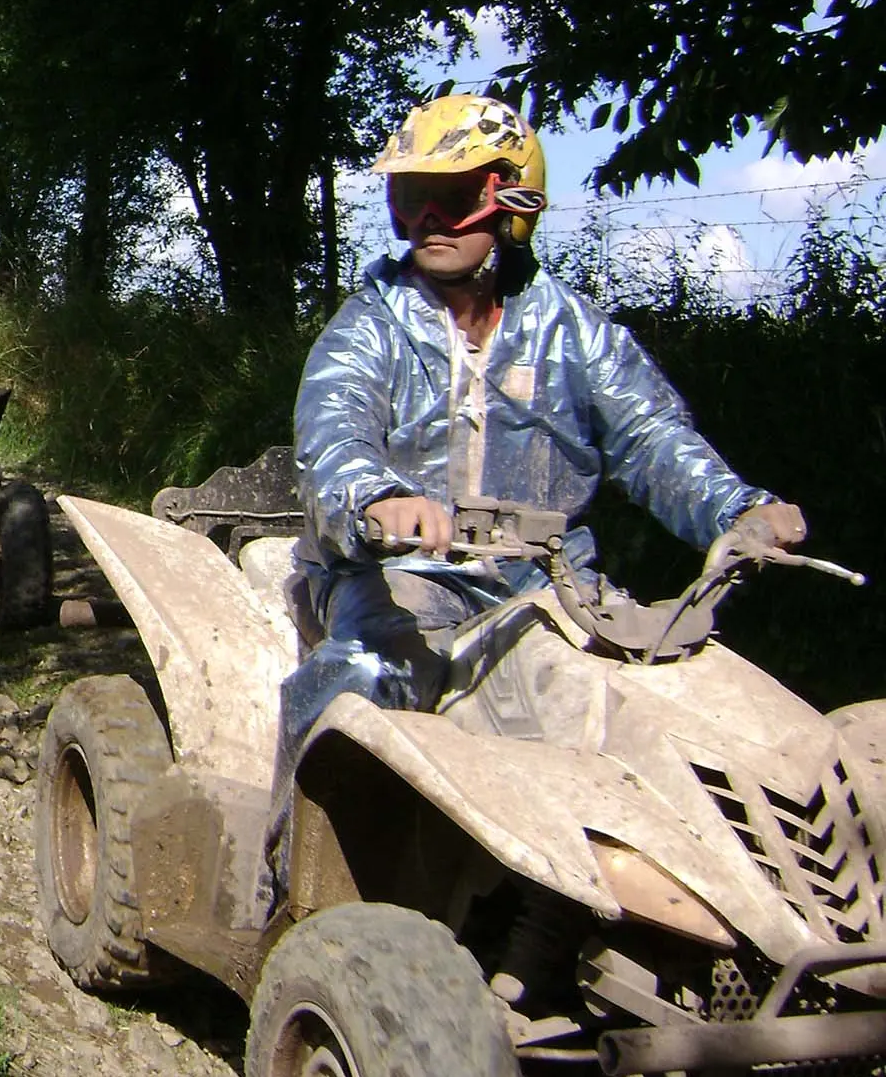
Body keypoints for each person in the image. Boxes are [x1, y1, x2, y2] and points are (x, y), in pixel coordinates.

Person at [284, 94, 808, 732]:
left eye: (452, 199)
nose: (428, 220)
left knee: (676, 707)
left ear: (512, 201)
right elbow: (334, 434)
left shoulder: (575, 333)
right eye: (410, 196)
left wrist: (737, 509)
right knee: (364, 682)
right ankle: (287, 831)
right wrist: (377, 499)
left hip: (546, 583)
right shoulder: (366, 327)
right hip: (399, 577)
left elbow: (651, 439)